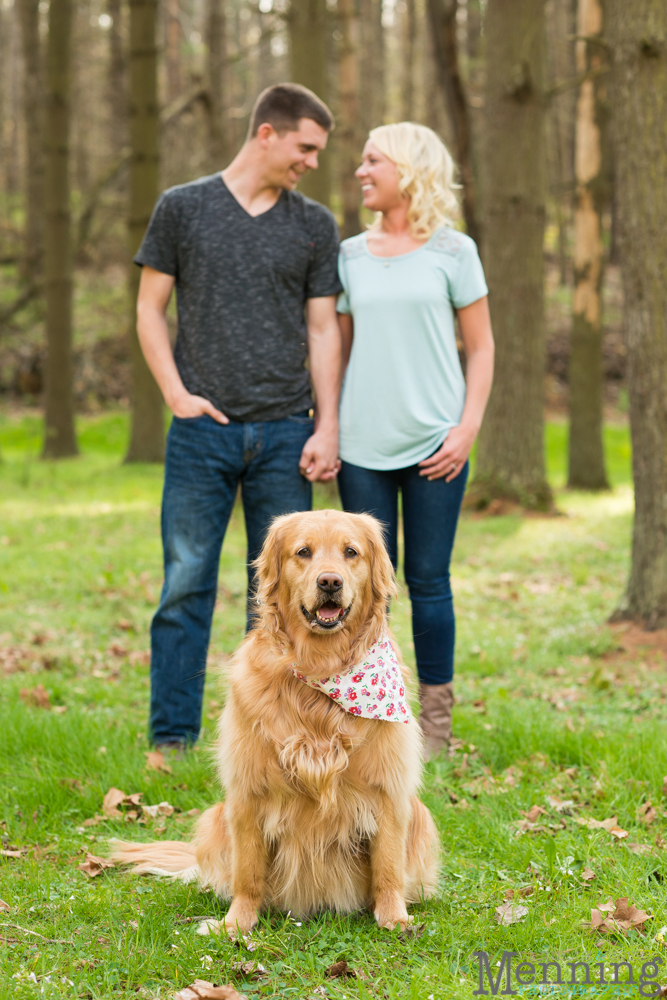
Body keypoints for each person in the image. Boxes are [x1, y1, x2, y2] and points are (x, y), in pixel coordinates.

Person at [134, 83, 343, 753]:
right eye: (305, 147)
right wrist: (175, 394)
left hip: (286, 432)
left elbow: (322, 331)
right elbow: (148, 309)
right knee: (185, 584)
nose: (311, 161)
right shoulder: (182, 208)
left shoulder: (314, 223)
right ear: (267, 134)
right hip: (202, 432)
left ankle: (280, 737)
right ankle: (171, 740)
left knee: (288, 598)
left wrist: (326, 425)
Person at [336, 122, 494, 758]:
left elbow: (481, 348)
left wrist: (466, 428)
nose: (360, 171)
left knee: (428, 581)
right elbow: (338, 351)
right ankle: (362, 712)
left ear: (408, 168)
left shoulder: (455, 251)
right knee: (361, 588)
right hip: (361, 447)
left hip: (437, 445)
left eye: (372, 160)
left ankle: (432, 727)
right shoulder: (348, 254)